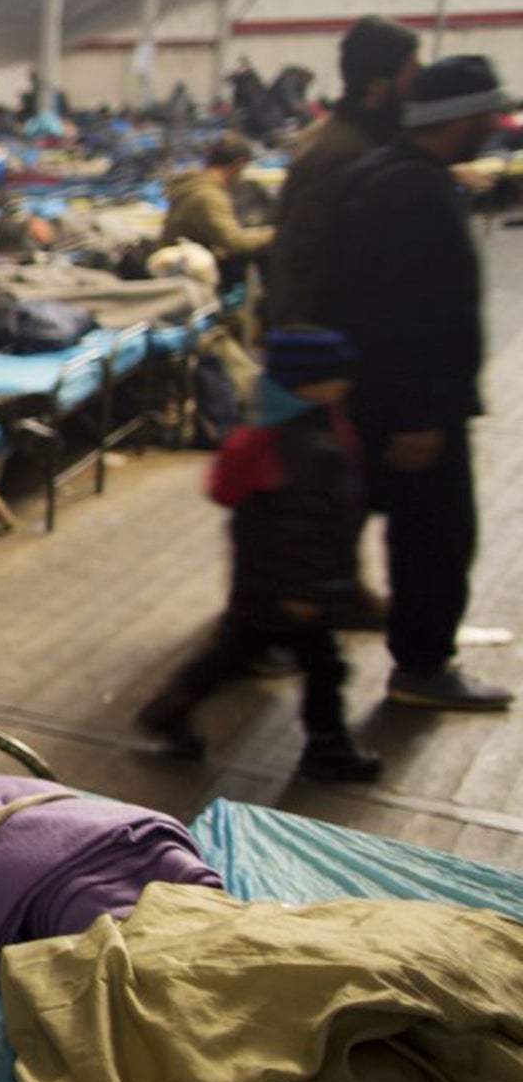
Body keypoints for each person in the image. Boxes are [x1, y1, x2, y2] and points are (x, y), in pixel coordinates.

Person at [320, 55, 514, 712]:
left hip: (374, 389)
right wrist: (421, 414)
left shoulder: (377, 173)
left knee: (386, 523)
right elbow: (412, 313)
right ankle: (424, 665)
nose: (496, 122)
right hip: (411, 402)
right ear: (460, 119)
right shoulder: (416, 192)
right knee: (435, 536)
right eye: (487, 112)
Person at [135, 330, 382, 781]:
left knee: (233, 654)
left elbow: (234, 497)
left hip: (265, 582)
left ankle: (170, 709)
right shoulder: (305, 444)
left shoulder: (273, 428)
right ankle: (327, 747)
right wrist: (309, 590)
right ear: (309, 385)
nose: (345, 384)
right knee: (322, 667)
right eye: (335, 378)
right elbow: (300, 527)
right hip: (294, 587)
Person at [267, 16, 421, 328]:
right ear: (377, 87)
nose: (415, 88)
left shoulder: (349, 139)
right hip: (327, 337)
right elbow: (302, 258)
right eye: (411, 73)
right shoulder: (340, 154)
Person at [159, 133, 272, 288]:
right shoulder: (208, 196)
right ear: (240, 163)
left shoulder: (194, 186)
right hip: (194, 276)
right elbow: (236, 243)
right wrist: (277, 233)